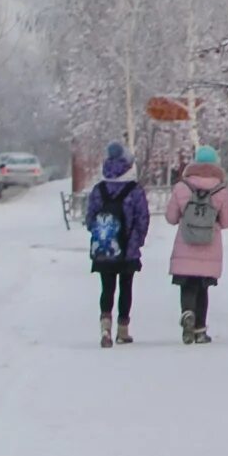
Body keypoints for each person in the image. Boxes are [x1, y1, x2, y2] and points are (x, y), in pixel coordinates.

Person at [165, 145, 228, 346]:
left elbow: (171, 217)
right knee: (203, 289)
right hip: (209, 245)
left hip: (185, 243)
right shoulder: (221, 190)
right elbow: (227, 222)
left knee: (187, 286)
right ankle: (201, 331)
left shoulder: (181, 187)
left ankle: (187, 313)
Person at [84, 142, 150, 348]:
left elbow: (90, 219)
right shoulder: (135, 190)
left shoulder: (99, 190)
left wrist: (102, 235)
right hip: (127, 249)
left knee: (107, 288)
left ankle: (105, 327)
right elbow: (142, 219)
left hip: (104, 248)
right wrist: (137, 241)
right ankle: (123, 330)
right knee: (125, 287)